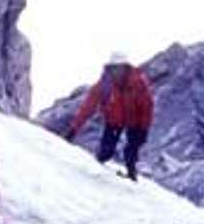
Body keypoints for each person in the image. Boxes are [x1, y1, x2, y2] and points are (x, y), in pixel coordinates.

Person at [65, 52, 154, 180]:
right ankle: (100, 165)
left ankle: (131, 175)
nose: (116, 71)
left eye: (119, 68)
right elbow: (88, 106)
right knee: (106, 153)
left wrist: (144, 128)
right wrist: (74, 129)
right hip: (114, 120)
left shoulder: (138, 83)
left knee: (132, 149)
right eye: (114, 68)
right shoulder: (104, 84)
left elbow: (147, 107)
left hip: (135, 121)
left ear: (125, 68)